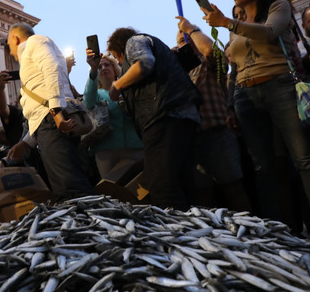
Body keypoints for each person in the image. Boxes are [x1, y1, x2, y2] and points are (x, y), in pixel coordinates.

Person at [201, 0, 310, 245]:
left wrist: (227, 22)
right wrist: (230, 105)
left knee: (304, 157)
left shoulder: (278, 6)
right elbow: (233, 66)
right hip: (245, 93)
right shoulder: (238, 18)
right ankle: (277, 229)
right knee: (263, 166)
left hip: (280, 85)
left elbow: (270, 32)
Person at [105, 27, 200, 210]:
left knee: (161, 185)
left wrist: (117, 86)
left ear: (120, 50)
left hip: (162, 116)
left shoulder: (134, 42)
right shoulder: (161, 48)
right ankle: (194, 227)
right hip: (184, 116)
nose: (120, 64)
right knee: (183, 181)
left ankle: (176, 233)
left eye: (118, 59)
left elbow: (144, 64)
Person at [5, 23, 94, 201]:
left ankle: (89, 224)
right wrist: (26, 143)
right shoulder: (33, 53)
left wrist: (56, 112)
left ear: (15, 39)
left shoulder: (34, 42)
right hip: (49, 123)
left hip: (53, 122)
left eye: (8, 45)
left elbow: (51, 67)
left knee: (70, 187)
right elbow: (39, 111)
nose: (10, 51)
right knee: (65, 182)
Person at [174, 18, 252, 212]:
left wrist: (191, 30)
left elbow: (211, 52)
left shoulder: (207, 63)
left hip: (217, 134)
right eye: (181, 42)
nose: (185, 44)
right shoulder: (177, 71)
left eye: (188, 39)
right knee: (203, 198)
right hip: (191, 140)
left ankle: (252, 232)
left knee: (234, 190)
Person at [82, 50, 143, 182]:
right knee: (112, 189)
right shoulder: (97, 94)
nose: (103, 68)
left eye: (107, 65)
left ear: (115, 69)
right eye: (100, 67)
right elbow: (87, 102)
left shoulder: (128, 88)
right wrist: (93, 69)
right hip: (106, 149)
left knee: (141, 188)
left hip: (135, 146)